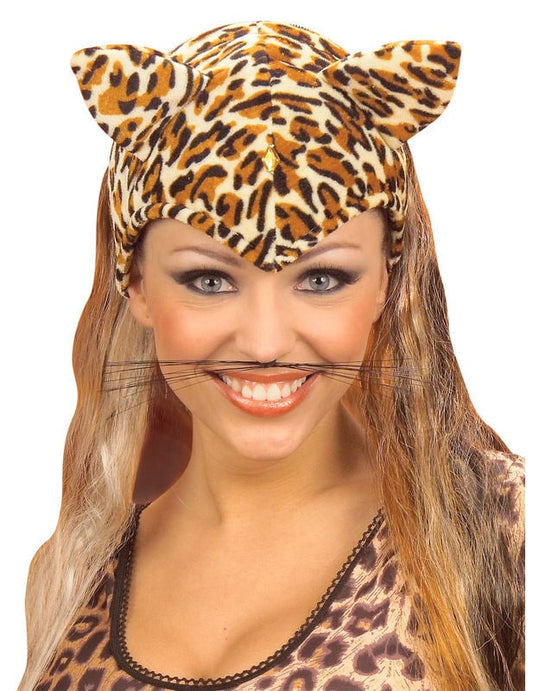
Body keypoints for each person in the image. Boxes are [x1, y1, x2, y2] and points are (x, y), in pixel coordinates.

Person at [20, 21, 524, 691]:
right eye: (208, 280)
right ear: (135, 283)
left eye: (321, 278)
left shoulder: (498, 531)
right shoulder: (74, 573)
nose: (264, 344)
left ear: (385, 280)